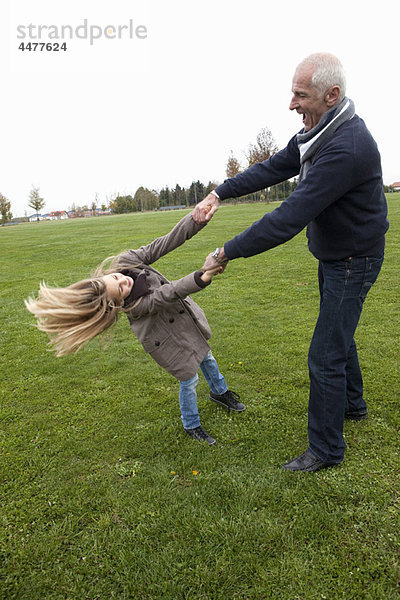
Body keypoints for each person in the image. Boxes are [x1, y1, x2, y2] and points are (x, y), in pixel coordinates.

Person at [193, 52, 389, 471]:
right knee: (339, 334)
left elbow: (289, 216)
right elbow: (275, 166)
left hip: (354, 259)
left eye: (301, 95)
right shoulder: (317, 134)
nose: (292, 104)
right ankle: (353, 406)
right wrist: (219, 192)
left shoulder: (346, 148)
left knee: (325, 354)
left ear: (332, 95)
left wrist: (226, 250)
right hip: (338, 255)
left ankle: (326, 450)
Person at [25, 210, 245, 446]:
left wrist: (195, 221)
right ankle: (191, 424)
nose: (124, 281)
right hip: (166, 340)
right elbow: (168, 293)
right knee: (189, 378)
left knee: (207, 356)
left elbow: (163, 243)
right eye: (120, 289)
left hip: (182, 321)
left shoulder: (126, 262)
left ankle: (219, 392)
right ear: (118, 303)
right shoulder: (135, 306)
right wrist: (203, 276)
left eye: (116, 279)